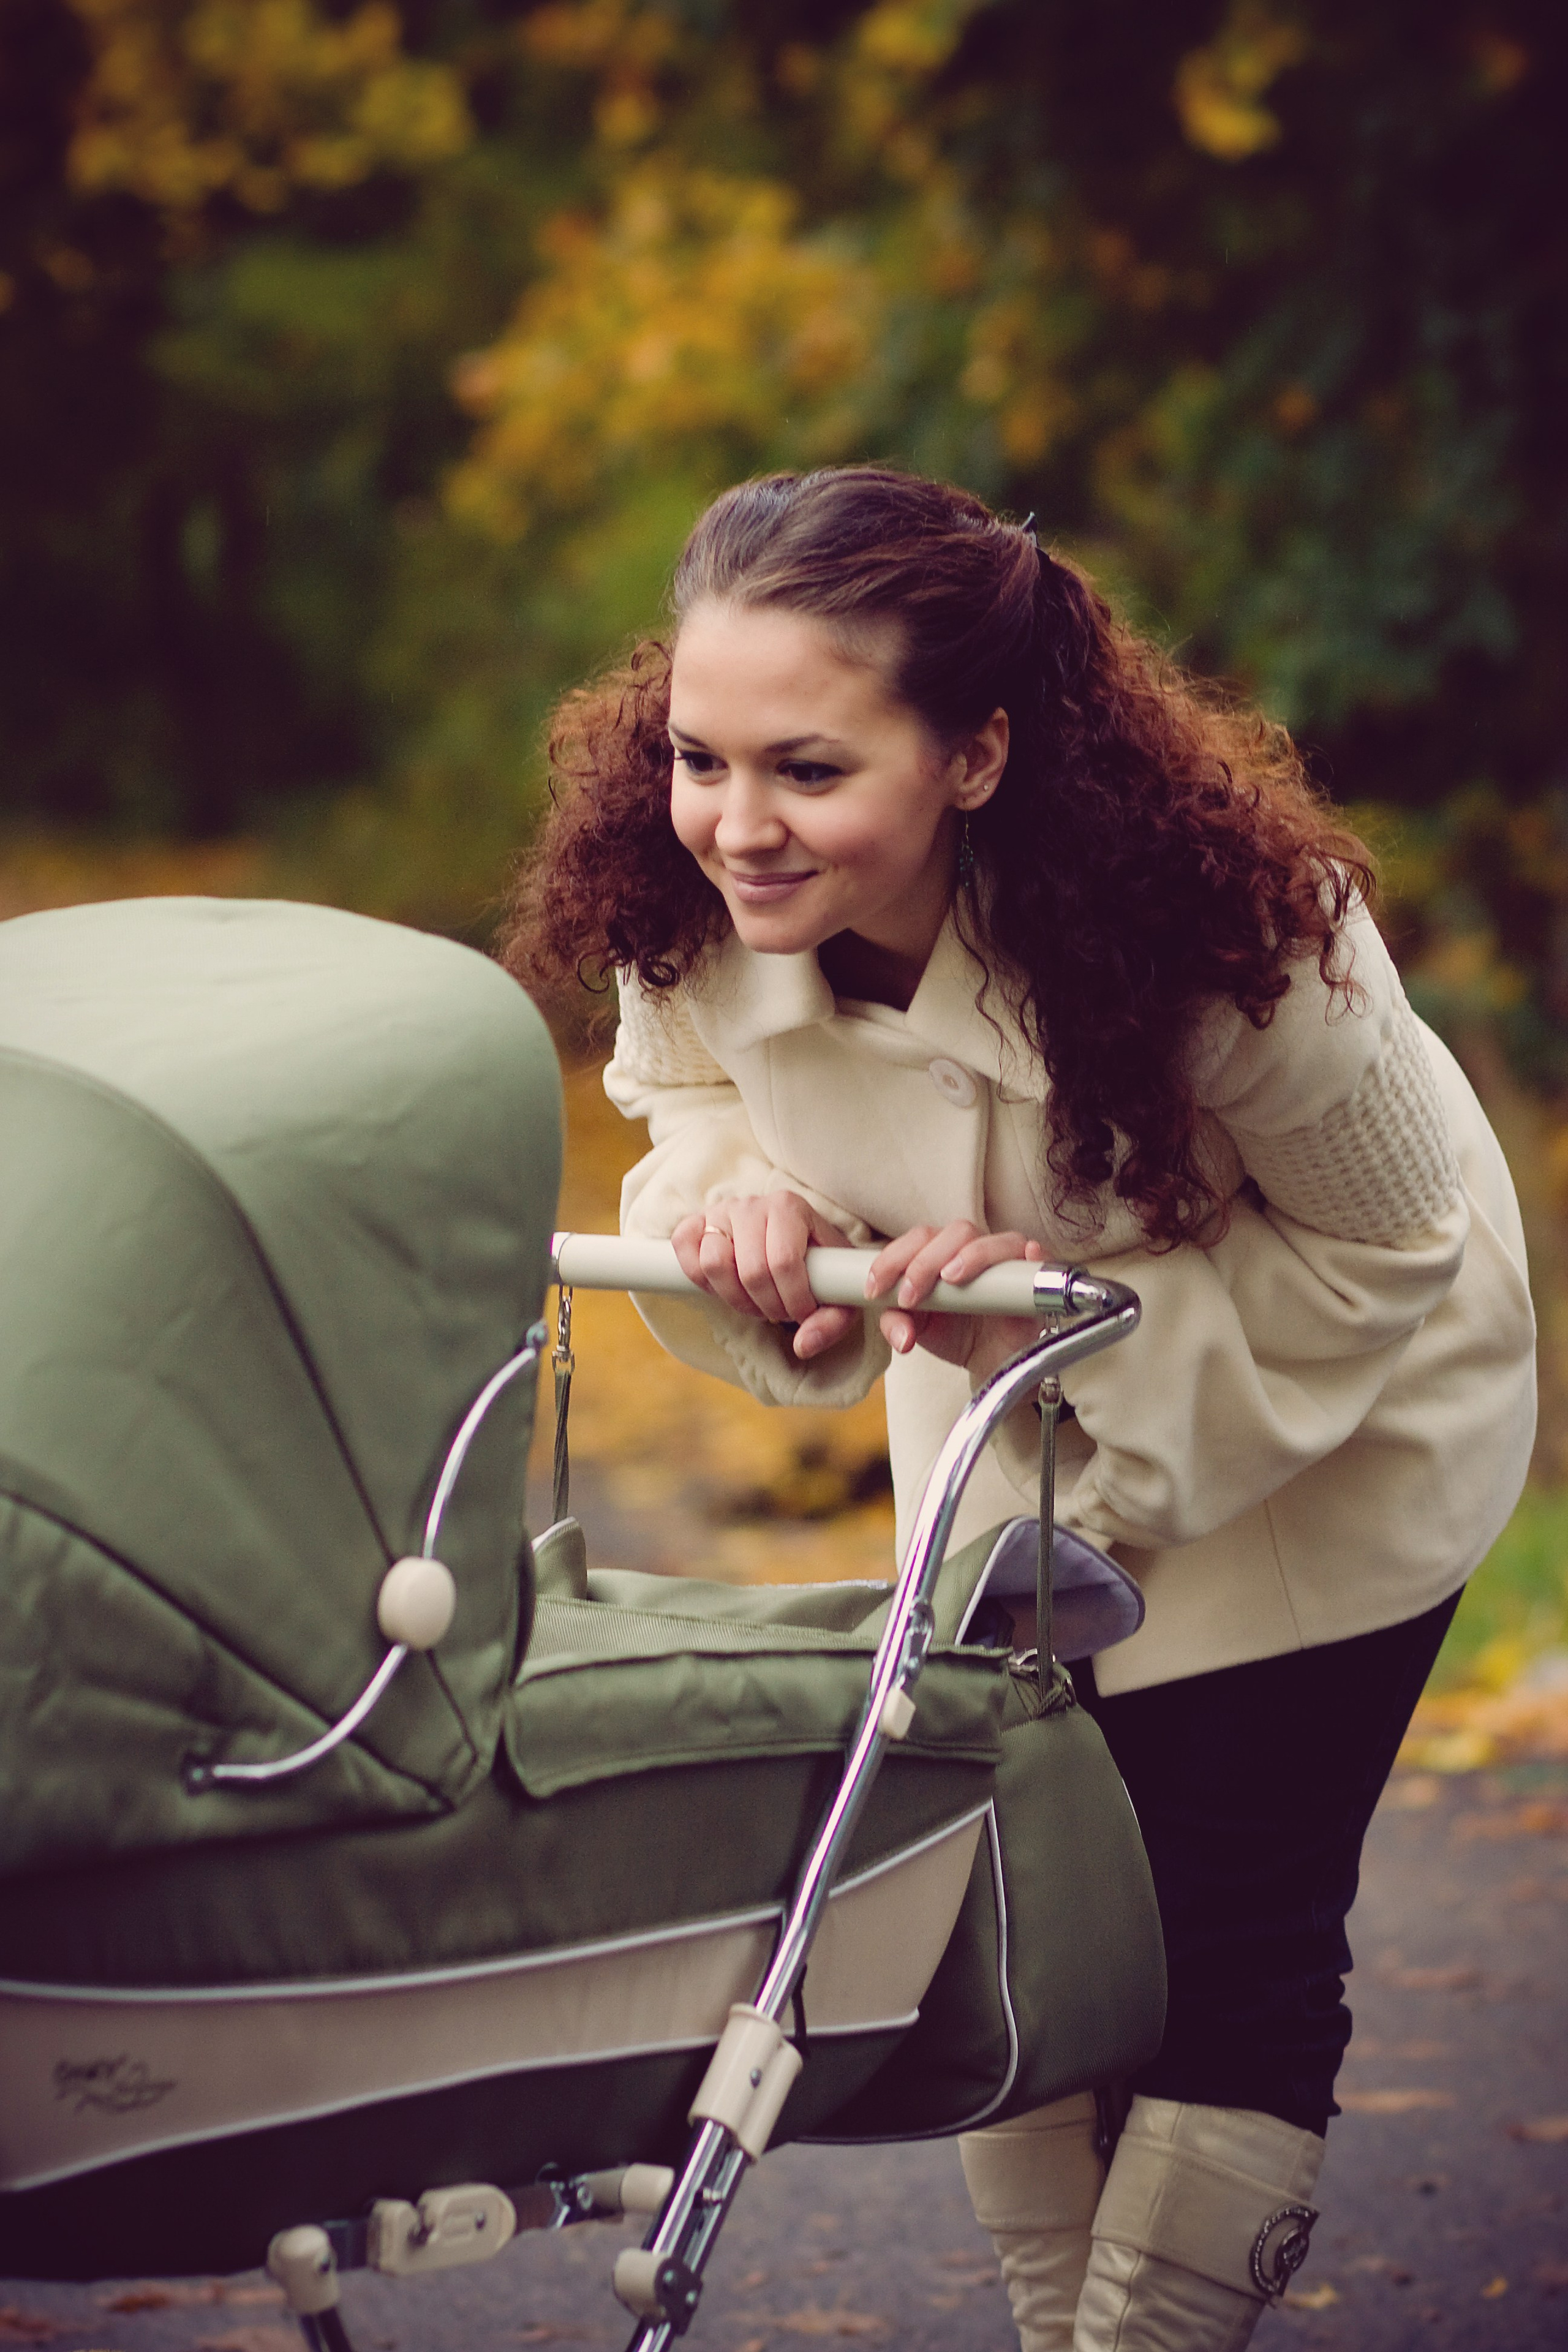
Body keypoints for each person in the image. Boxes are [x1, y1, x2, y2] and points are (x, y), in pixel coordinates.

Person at [503, 466, 1536, 2352]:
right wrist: (751, 1206)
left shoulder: (1241, 930)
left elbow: (1392, 1255)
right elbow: (694, 1109)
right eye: (697, 756)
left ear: (976, 754)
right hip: (1008, 1424)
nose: (737, 825)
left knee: (1225, 1928)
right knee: (1025, 1911)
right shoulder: (690, 900)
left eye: (809, 770)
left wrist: (1044, 1338)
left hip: (1327, 1428)